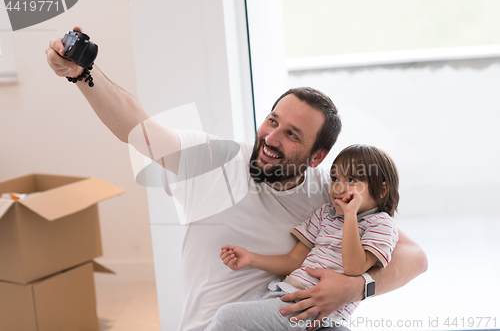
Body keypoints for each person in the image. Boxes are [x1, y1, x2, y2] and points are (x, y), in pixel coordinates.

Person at [45, 27, 428, 331]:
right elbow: (138, 127)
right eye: (272, 121)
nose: (272, 138)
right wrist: (84, 74)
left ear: (317, 157)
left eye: (292, 134)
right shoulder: (217, 160)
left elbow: (414, 256)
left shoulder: (328, 197)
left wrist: (357, 287)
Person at [206, 144, 400, 331]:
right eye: (335, 178)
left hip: (311, 306)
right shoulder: (325, 213)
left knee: (227, 317)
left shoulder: (382, 224)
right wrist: (251, 258)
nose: (339, 188)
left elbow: (354, 268)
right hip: (282, 291)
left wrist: (350, 216)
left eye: (351, 180)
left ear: (382, 190)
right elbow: (293, 260)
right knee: (222, 318)